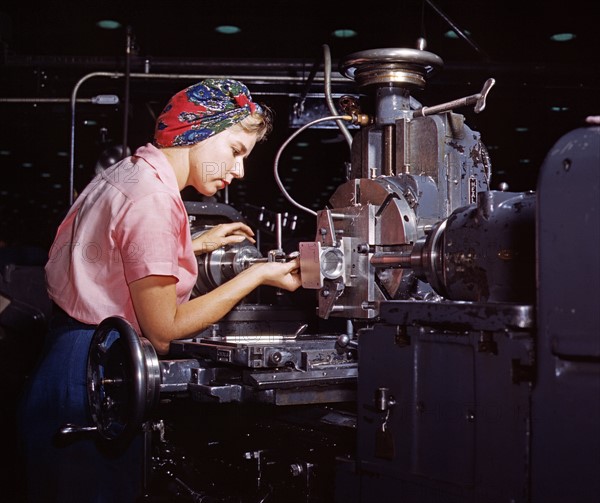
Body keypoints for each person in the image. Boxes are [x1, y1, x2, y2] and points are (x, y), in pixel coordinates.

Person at [17, 78, 302, 503]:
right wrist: (256, 274)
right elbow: (164, 330)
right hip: (96, 375)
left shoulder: (131, 172)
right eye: (235, 151)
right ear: (199, 132)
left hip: (68, 359)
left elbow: (114, 250)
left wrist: (192, 244)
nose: (239, 170)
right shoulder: (152, 200)